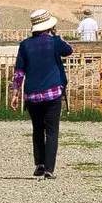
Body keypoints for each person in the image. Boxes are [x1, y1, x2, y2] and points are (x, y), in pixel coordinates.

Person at [12, 9, 74, 177]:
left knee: (37, 129)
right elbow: (69, 50)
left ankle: (39, 164)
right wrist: (58, 36)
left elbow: (19, 72)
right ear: (49, 26)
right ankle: (49, 169)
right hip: (52, 92)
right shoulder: (54, 41)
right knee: (52, 131)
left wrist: (15, 93)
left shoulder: (24, 45)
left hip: (32, 94)